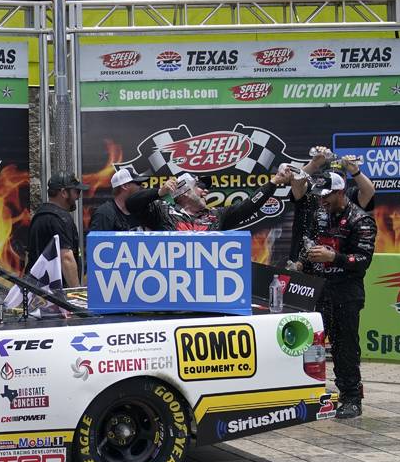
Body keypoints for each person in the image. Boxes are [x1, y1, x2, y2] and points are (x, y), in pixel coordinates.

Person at [289, 170, 376, 420]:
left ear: (340, 192)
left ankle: (351, 398)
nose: (322, 200)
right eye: (319, 196)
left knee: (344, 348)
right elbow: (311, 246)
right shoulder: (319, 214)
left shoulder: (362, 221)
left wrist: (334, 258)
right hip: (318, 292)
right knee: (311, 344)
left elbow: (363, 260)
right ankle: (311, 392)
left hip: (346, 293)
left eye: (327, 196)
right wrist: (302, 264)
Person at [127, 168, 294, 231]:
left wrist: (273, 182)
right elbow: (131, 203)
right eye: (199, 186)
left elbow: (249, 206)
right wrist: (158, 192)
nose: (206, 191)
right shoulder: (161, 211)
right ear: (183, 191)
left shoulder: (216, 215)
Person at [26, 173, 88, 288]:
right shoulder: (61, 218)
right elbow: (66, 258)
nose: (78, 197)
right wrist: (75, 292)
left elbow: (30, 255)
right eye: (76, 192)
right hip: (55, 294)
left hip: (37, 290)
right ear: (64, 193)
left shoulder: (39, 214)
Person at [88, 166, 148, 234]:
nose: (142, 187)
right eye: (138, 183)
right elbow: (97, 243)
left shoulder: (140, 211)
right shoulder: (104, 214)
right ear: (125, 186)